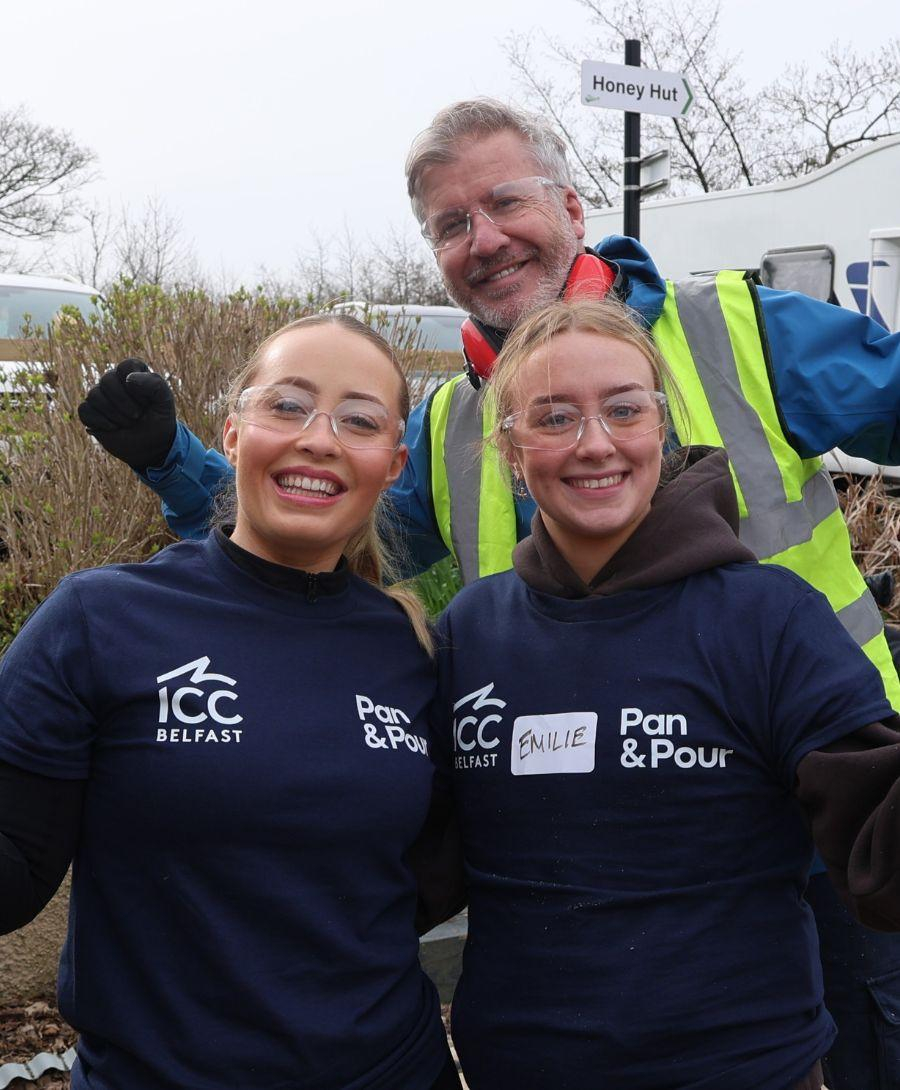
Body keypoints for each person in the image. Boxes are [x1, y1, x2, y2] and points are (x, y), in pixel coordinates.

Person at [78, 99, 900, 1087]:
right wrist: (178, 464)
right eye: (452, 224)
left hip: (834, 831)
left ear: (571, 202)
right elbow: (310, 531)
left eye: (505, 201)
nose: (487, 238)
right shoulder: (440, 430)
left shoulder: (736, 331)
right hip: (562, 891)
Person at [434, 295, 900, 1090]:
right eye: (552, 418)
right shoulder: (470, 633)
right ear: (511, 451)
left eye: (624, 409)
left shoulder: (769, 620)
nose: (595, 445)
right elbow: (396, 857)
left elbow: (878, 847)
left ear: (661, 427)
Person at [0, 314, 463, 1090]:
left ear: (393, 464)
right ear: (235, 432)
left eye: (358, 420)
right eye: (287, 405)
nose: (320, 438)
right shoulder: (100, 619)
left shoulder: (415, 653)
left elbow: (420, 885)